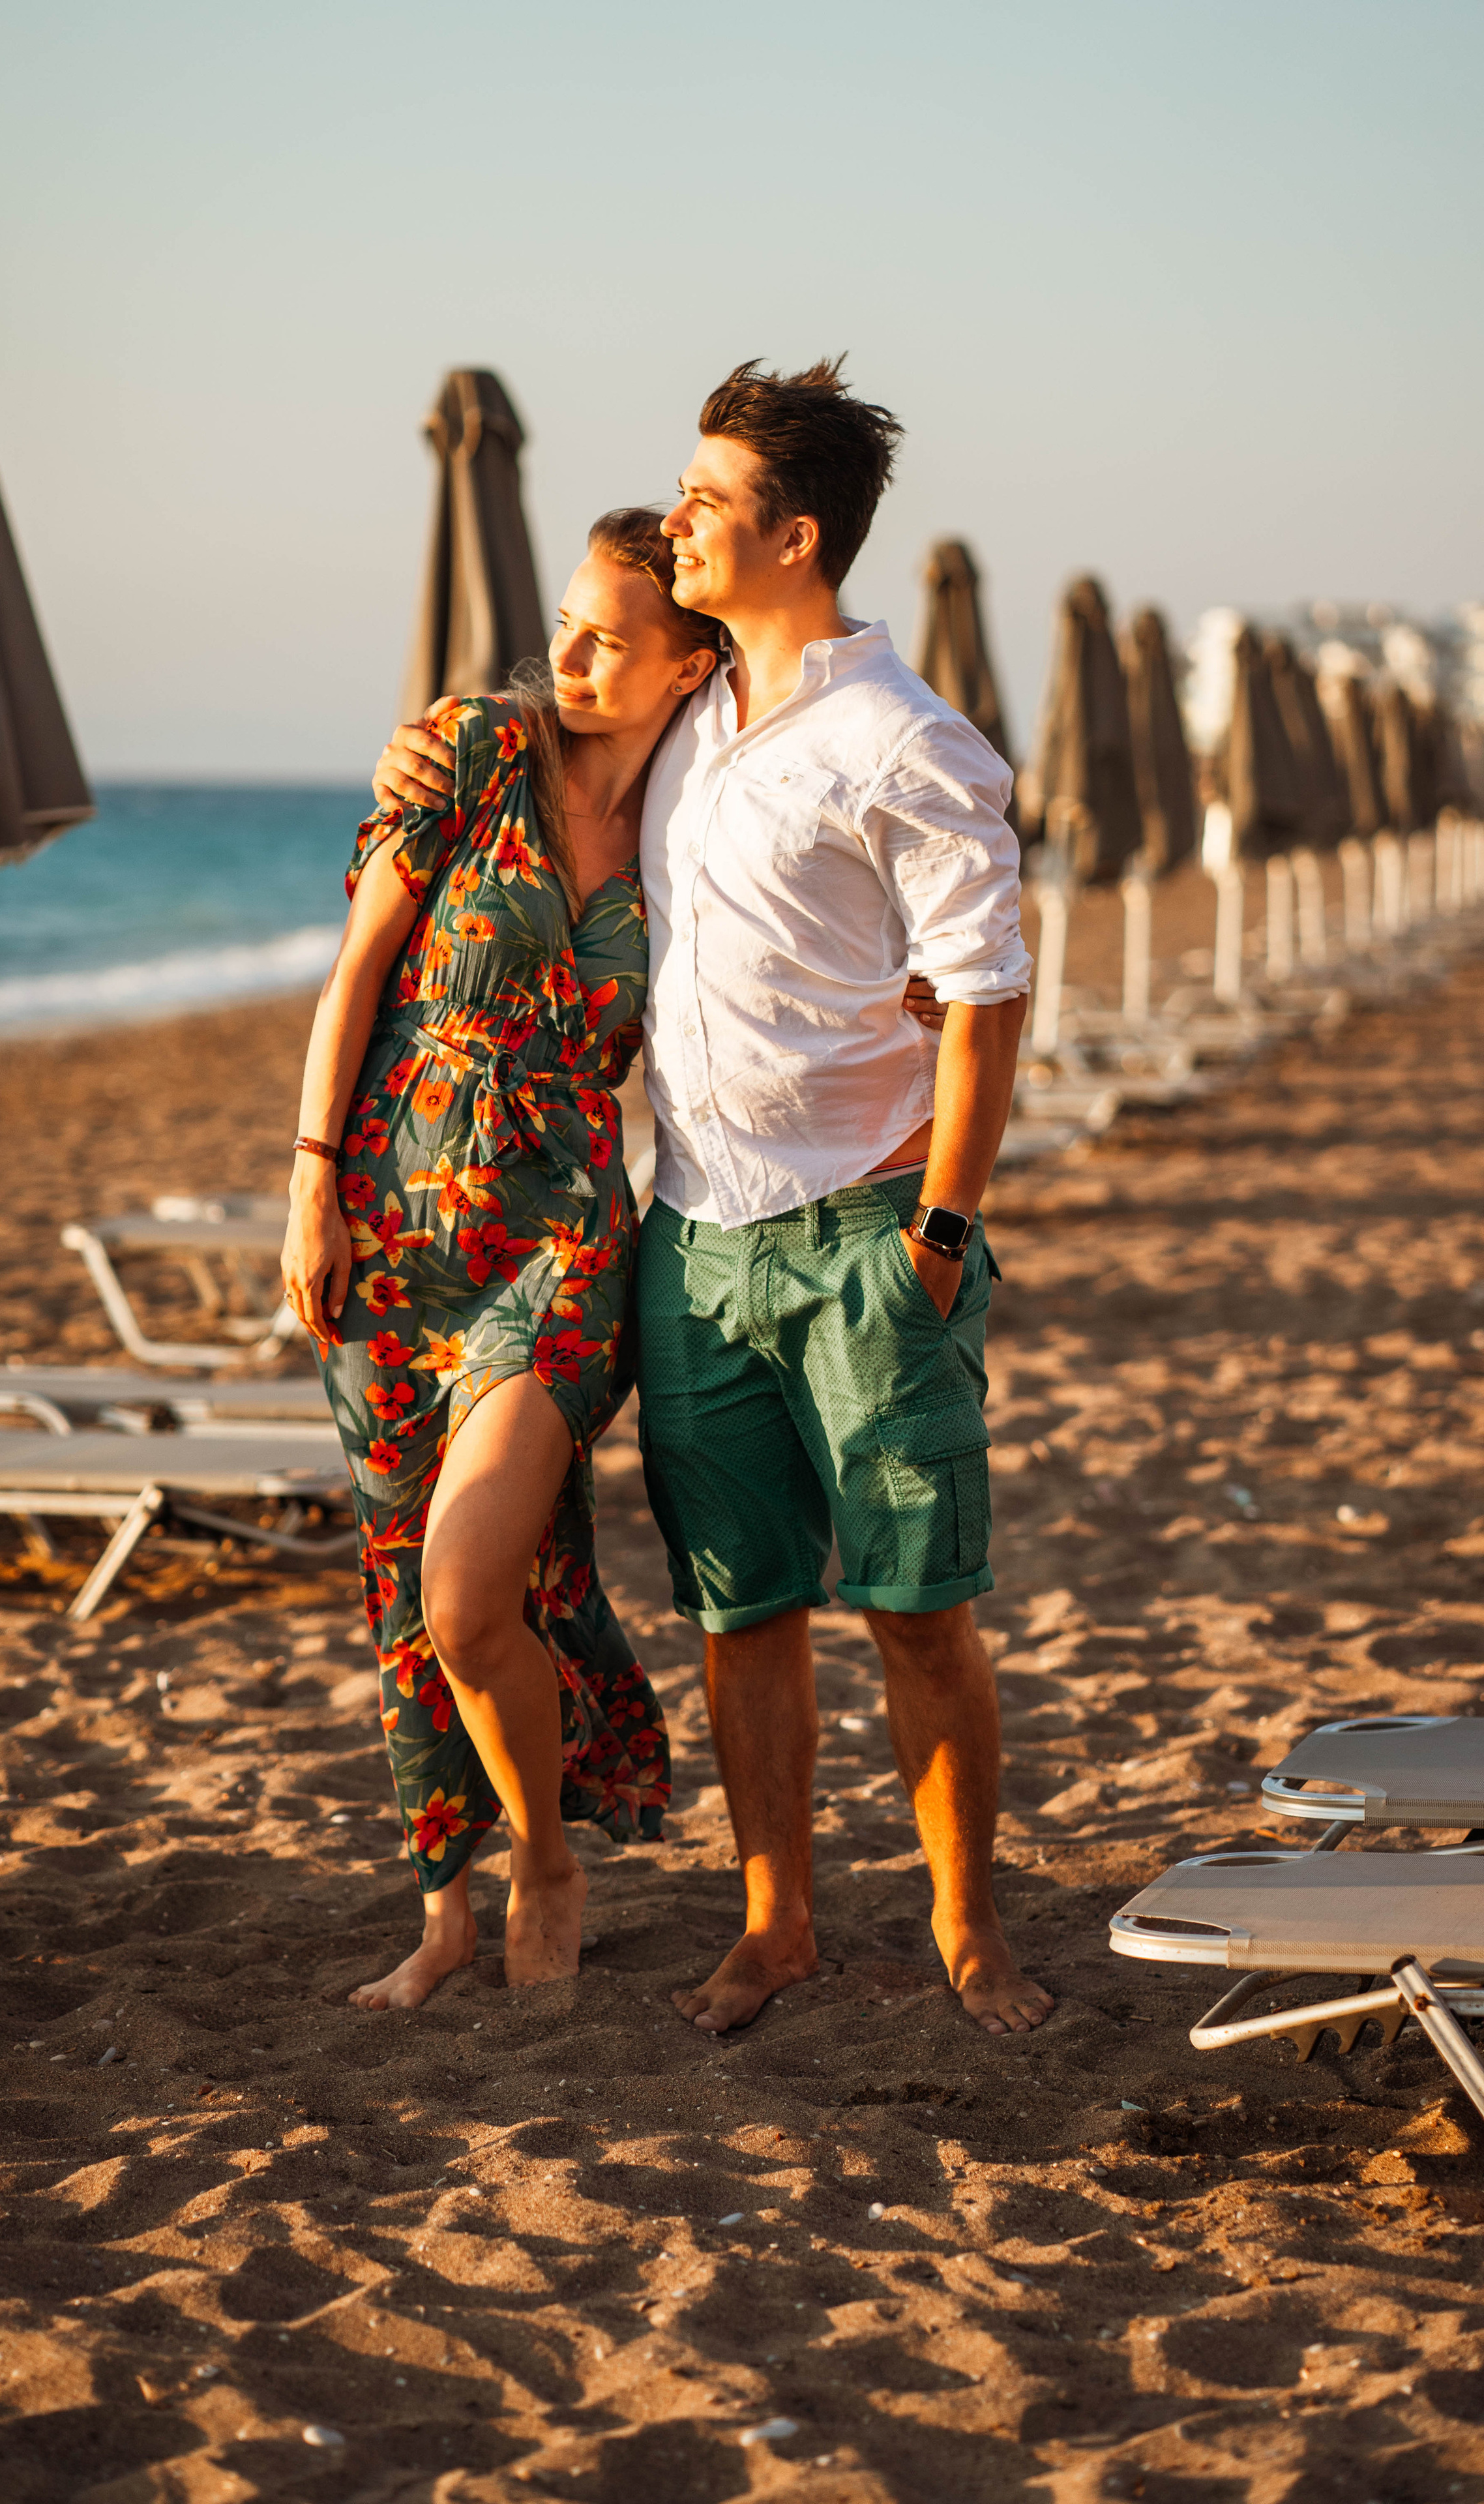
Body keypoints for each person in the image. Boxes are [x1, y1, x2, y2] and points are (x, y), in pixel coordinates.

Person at [373, 360, 1054, 2041]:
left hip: (864, 1235)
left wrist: (941, 1231)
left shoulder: (906, 741)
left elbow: (983, 992)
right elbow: (556, 725)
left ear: (795, 536)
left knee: (914, 1606)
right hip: (688, 1232)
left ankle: (968, 1932)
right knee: (741, 1610)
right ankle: (776, 1927)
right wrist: (439, 748)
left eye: (706, 496)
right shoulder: (682, 720)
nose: (674, 515)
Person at [280, 509, 721, 2006]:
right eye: (566, 622)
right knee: (406, 1588)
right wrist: (309, 1183)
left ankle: (543, 1851)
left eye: (611, 637)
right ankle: (443, 1914)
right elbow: (353, 982)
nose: (570, 655)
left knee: (470, 1590)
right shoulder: (472, 751)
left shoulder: (695, 814)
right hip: (397, 1239)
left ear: (688, 664)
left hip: (563, 1242)